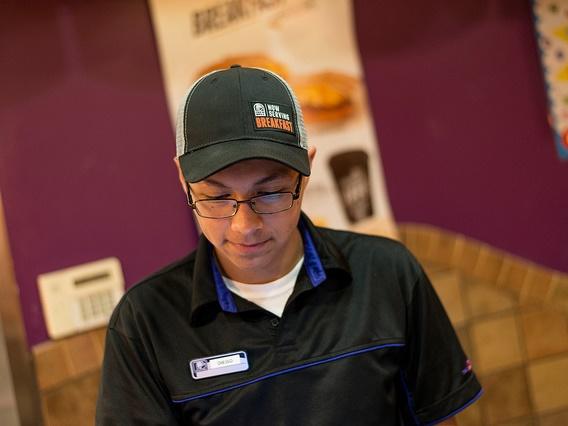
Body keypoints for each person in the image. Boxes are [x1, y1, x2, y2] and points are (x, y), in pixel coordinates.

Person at [96, 65, 482, 425]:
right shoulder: (145, 323)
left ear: (306, 171)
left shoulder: (388, 273)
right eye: (216, 199)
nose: (245, 226)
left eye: (271, 194)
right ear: (183, 180)